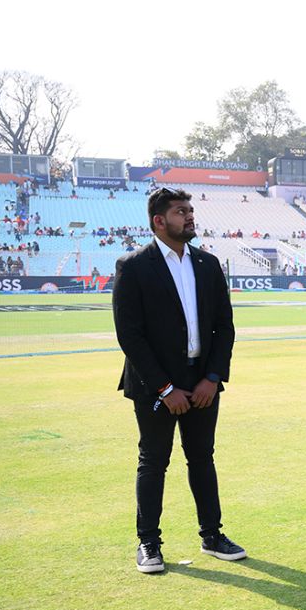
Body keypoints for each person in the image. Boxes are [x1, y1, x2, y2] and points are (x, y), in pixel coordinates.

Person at [111, 187, 243, 574]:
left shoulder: (207, 263)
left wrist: (213, 378)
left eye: (190, 210)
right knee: (153, 461)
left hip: (202, 381)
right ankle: (148, 543)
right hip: (155, 384)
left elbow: (225, 327)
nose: (189, 217)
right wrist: (165, 388)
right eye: (180, 211)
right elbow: (129, 335)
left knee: (202, 458)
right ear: (159, 221)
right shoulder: (133, 266)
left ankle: (212, 536)